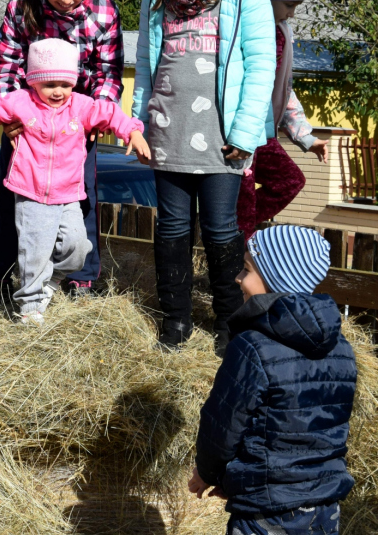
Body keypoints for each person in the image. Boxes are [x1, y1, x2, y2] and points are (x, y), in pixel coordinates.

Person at [0, 39, 149, 324]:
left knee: (78, 247)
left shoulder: (81, 107)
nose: (58, 92)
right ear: (33, 81)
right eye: (49, 85)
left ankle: (50, 281)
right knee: (35, 252)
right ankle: (30, 309)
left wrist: (132, 132)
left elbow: (109, 113)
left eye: (65, 84)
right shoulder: (20, 102)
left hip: (69, 193)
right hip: (31, 193)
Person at [189, 225, 356, 535]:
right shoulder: (341, 348)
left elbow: (222, 425)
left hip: (267, 510)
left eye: (247, 269)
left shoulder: (252, 346)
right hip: (326, 506)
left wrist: (210, 473)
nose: (238, 278)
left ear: (277, 279)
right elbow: (328, 431)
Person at [131, 0, 277, 355]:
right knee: (171, 225)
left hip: (224, 136)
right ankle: (176, 320)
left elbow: (261, 66)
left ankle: (229, 320)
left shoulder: (248, 2)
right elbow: (145, 63)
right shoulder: (154, 3)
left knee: (221, 228)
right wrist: (138, 124)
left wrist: (244, 133)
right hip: (167, 130)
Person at [0, 0, 125, 300]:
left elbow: (107, 73)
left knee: (82, 193)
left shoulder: (104, 11)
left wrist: (99, 115)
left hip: (76, 122)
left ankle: (78, 277)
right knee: (11, 195)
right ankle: (0, 273)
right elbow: (6, 67)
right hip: (27, 121)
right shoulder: (21, 8)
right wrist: (8, 117)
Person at [236, 0, 330, 240]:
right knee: (244, 199)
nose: (292, 13)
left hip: (263, 134)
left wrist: (306, 137)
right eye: (289, 4)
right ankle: (235, 246)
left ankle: (233, 226)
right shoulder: (241, 23)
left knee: (290, 181)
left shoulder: (282, 30)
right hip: (238, 132)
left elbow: (283, 88)